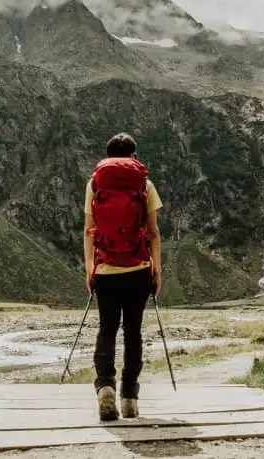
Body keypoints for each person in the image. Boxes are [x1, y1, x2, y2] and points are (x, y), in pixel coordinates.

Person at [84, 132, 163, 422]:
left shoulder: (94, 184)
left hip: (105, 270)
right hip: (139, 269)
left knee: (106, 329)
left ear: (108, 156)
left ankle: (105, 386)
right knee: (133, 332)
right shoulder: (145, 184)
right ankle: (129, 398)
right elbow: (153, 232)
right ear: (134, 156)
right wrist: (157, 270)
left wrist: (89, 268)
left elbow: (88, 231)